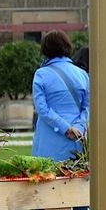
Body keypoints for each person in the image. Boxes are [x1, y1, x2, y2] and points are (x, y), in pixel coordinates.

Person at [31, 30, 89, 161]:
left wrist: (65, 128)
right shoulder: (82, 74)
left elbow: (42, 109)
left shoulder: (41, 74)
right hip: (77, 138)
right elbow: (89, 106)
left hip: (49, 138)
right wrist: (80, 126)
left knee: (46, 177)